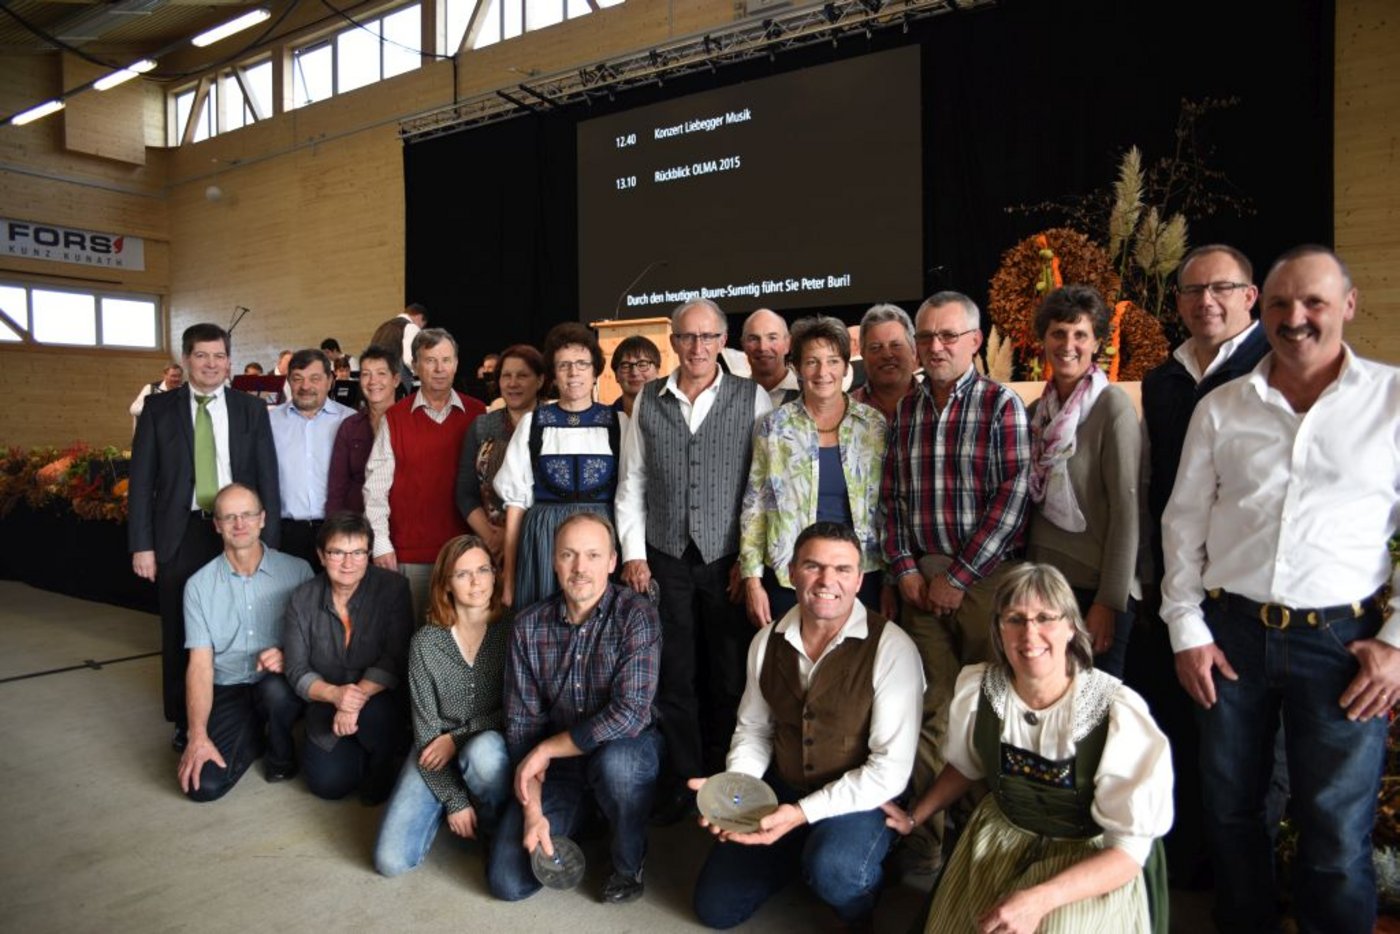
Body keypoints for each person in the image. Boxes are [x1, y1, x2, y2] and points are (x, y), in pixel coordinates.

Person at [1161, 245, 1400, 934]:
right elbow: (1183, 523)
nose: (1295, 318)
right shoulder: (1222, 407)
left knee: (1333, 829)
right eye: (1280, 305)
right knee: (1232, 812)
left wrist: (1393, 644)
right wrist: (1187, 629)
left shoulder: (1389, 402)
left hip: (1344, 646)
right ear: (1260, 311)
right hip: (1230, 637)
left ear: (1348, 306)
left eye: (1314, 302)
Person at [886, 562, 1173, 934]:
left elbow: (1129, 854)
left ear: (1071, 626)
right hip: (1000, 836)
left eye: (1045, 618)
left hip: (1086, 855)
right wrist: (914, 817)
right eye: (1015, 619)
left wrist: (1039, 899)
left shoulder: (1115, 713)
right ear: (999, 629)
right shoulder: (981, 691)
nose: (1029, 634)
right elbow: (967, 766)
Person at [691, 522, 922, 929]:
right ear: (792, 571)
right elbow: (754, 731)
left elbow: (890, 770)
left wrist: (800, 814)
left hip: (861, 800)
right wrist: (732, 791)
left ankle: (856, 882)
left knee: (836, 871)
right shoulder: (766, 640)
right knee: (715, 908)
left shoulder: (893, 648)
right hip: (785, 785)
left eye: (842, 569)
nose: (827, 580)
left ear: (859, 579)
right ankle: (800, 850)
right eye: (813, 566)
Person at [881, 290, 1030, 877]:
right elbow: (889, 501)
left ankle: (979, 848)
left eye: (948, 336)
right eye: (926, 337)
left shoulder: (1001, 405)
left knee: (989, 713)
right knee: (926, 715)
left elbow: (1014, 496)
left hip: (986, 582)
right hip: (921, 581)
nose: (935, 347)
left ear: (974, 341)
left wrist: (960, 577)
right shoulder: (908, 411)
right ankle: (925, 846)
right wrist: (907, 569)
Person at [1138, 242, 1269, 884]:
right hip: (1175, 586)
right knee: (1180, 731)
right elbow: (1160, 489)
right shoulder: (1163, 379)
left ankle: (1245, 885)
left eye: (1221, 288)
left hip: (1247, 591)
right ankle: (1189, 869)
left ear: (1251, 296)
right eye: (1192, 291)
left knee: (1244, 756)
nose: (1205, 301)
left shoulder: (1274, 368)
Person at [615, 297, 772, 821]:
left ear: (723, 342)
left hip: (726, 559)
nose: (698, 347)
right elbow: (632, 481)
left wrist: (749, 562)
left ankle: (728, 778)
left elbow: (763, 488)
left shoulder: (753, 400)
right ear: (674, 343)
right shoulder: (648, 401)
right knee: (674, 673)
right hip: (665, 558)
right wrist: (635, 554)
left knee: (730, 674)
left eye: (708, 337)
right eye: (687, 337)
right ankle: (683, 778)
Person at [487, 513, 662, 904]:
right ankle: (589, 815)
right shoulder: (528, 626)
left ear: (613, 562)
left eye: (593, 555)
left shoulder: (636, 615)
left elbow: (630, 714)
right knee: (507, 881)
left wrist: (548, 748)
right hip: (561, 771)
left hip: (625, 751)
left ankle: (628, 861)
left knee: (617, 767)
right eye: (568, 555)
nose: (580, 568)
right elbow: (521, 731)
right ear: (553, 560)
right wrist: (533, 810)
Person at [129, 322, 282, 752]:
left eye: (219, 356)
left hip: (242, 527)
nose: (211, 364)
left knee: (246, 616)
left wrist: (272, 537)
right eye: (202, 355)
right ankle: (185, 719)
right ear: (186, 359)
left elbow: (267, 475)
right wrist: (143, 544)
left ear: (229, 361)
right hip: (182, 531)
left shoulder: (250, 409)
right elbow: (141, 481)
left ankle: (252, 707)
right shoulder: (158, 410)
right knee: (182, 626)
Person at [375, 534, 512, 877]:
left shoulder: (512, 631)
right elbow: (426, 731)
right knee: (390, 861)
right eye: (463, 574)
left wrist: (459, 738)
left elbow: (516, 712)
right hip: (433, 746)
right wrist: (454, 799)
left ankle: (493, 827)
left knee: (483, 755)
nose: (476, 581)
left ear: (495, 575)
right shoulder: (426, 642)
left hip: (489, 745)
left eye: (483, 569)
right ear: (447, 584)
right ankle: (459, 797)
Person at [739, 316, 887, 627]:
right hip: (790, 575)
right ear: (796, 368)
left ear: (846, 367)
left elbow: (887, 506)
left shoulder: (873, 426)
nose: (823, 372)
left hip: (861, 574)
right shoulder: (774, 426)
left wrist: (891, 581)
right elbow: (754, 506)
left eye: (833, 361)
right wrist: (752, 580)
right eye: (812, 362)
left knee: (857, 669)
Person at [1024, 286, 1140, 678]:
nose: (1068, 344)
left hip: (1096, 590)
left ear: (1096, 344)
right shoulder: (1036, 412)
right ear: (1044, 341)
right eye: (1058, 333)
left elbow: (1127, 511)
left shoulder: (1113, 408)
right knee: (1052, 706)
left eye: (1080, 335)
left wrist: (1110, 601)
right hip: (1046, 587)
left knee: (1096, 712)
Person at [178, 483, 313, 801]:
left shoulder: (298, 571)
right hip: (229, 686)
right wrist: (196, 735)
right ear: (217, 525)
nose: (240, 524)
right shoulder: (198, 586)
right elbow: (199, 666)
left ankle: (281, 756)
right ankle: (252, 734)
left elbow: (319, 643)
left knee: (275, 693)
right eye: (229, 517)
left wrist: (287, 654)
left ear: (263, 519)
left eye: (247, 515)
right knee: (203, 787)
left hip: (280, 684)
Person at [282, 511, 415, 803]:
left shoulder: (392, 589)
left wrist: (351, 701)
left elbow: (394, 657)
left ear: (369, 554)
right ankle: (355, 755)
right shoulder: (301, 599)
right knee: (328, 785)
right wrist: (335, 696)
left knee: (378, 716)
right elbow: (295, 669)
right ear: (320, 555)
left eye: (358, 552)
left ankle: (381, 763)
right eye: (337, 552)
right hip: (326, 701)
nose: (348, 563)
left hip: (378, 701)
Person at [496, 323, 620, 609]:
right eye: (564, 365)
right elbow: (515, 506)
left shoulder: (618, 424)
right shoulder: (533, 424)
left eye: (581, 364)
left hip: (599, 542)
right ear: (553, 374)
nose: (573, 373)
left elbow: (629, 496)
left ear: (595, 370)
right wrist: (510, 578)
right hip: (543, 542)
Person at [364, 328, 486, 619]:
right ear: (415, 366)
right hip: (411, 555)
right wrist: (381, 544)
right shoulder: (395, 418)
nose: (439, 368)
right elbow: (375, 490)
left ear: (457, 363)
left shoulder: (478, 414)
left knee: (464, 639)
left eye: (446, 359)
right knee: (413, 641)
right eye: (430, 360)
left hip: (466, 553)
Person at [455, 344, 545, 563]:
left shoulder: (555, 425)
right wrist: (492, 537)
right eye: (506, 376)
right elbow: (465, 493)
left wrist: (514, 535)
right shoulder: (482, 426)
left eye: (522, 375)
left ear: (540, 380)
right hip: (492, 546)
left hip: (542, 540)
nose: (513, 383)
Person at [269, 348, 354, 567]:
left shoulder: (351, 421)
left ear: (330, 381)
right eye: (297, 379)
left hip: (338, 532)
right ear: (288, 382)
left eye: (315, 378)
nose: (305, 386)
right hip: (286, 534)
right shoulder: (270, 422)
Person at [325, 344, 401, 516]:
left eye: (381, 373)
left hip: (401, 521)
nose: (373, 381)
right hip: (357, 523)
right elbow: (337, 486)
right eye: (366, 374)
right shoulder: (350, 426)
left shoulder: (411, 424)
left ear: (395, 380)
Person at [849, 303, 918, 422]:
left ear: (913, 350)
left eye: (896, 345)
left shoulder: (939, 405)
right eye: (876, 347)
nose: (887, 355)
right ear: (863, 355)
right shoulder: (844, 412)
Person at [741, 308, 799, 407]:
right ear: (743, 345)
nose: (763, 347)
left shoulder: (810, 392)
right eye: (754, 339)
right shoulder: (729, 396)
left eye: (772, 338)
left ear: (788, 344)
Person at [608, 334, 662, 423]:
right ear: (616, 375)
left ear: (657, 369)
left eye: (642, 364)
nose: (634, 373)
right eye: (625, 366)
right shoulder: (604, 421)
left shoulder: (671, 416)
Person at [370, 302, 427, 385]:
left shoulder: (382, 328)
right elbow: (409, 358)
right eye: (422, 326)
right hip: (397, 382)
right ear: (419, 317)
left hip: (376, 380)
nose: (420, 328)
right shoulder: (411, 327)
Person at [129, 363, 183, 431]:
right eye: (173, 376)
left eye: (179, 376)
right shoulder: (151, 389)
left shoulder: (184, 391)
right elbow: (133, 409)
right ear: (165, 375)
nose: (177, 379)